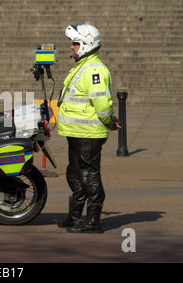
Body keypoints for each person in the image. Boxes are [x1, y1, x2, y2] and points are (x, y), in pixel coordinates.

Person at [56, 21, 120, 233]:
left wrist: (109, 120)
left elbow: (102, 104)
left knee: (89, 176)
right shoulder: (82, 67)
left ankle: (93, 222)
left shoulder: (94, 70)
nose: (71, 47)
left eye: (74, 43)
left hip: (88, 134)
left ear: (86, 44)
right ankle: (74, 217)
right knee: (75, 175)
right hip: (76, 132)